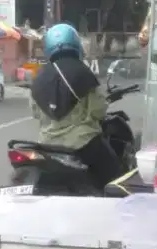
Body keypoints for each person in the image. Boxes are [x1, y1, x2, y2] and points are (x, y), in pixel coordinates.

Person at [29, 23, 122, 189]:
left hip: (47, 145)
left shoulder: (39, 78)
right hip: (82, 143)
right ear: (76, 44)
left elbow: (35, 113)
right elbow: (98, 110)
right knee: (114, 173)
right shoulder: (83, 72)